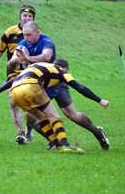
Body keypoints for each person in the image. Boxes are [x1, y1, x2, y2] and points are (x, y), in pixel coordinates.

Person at [9, 21, 110, 150]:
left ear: (38, 32)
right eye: (24, 35)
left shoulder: (46, 41)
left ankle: (98, 133)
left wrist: (27, 59)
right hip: (38, 85)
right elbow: (11, 64)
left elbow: (46, 57)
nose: (26, 38)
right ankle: (55, 142)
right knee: (31, 116)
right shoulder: (23, 44)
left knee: (72, 115)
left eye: (29, 35)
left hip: (56, 81)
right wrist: (13, 61)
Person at [0, 59, 109, 153]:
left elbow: (15, 78)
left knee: (41, 118)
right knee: (53, 117)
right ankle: (65, 145)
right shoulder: (61, 71)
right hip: (31, 87)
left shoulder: (37, 66)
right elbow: (80, 87)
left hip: (14, 93)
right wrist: (100, 100)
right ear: (65, 68)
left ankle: (57, 145)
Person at [0, 5, 36, 144]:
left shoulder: (37, 33)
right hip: (13, 74)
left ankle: (29, 131)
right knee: (13, 102)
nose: (27, 18)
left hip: (30, 74)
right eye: (24, 16)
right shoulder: (9, 32)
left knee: (30, 107)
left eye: (30, 16)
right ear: (20, 16)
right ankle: (20, 133)